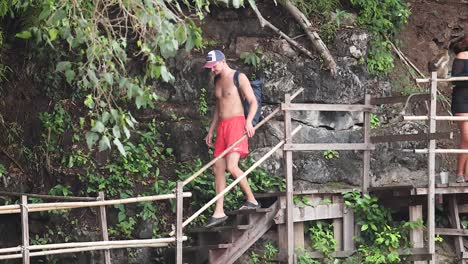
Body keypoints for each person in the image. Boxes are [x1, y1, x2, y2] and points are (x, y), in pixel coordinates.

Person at [203, 50, 260, 227]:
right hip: (222, 127)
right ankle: (219, 211)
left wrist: (249, 122)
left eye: (214, 66)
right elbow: (218, 108)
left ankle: (252, 200)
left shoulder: (239, 77)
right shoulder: (217, 81)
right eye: (210, 68)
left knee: (231, 166)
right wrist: (211, 130)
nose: (212, 70)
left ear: (223, 61)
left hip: (237, 124)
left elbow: (253, 101)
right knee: (218, 168)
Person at [450, 37, 468, 183]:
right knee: (467, 135)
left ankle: (461, 173)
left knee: (465, 140)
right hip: (462, 100)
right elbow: (455, 78)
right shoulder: (462, 56)